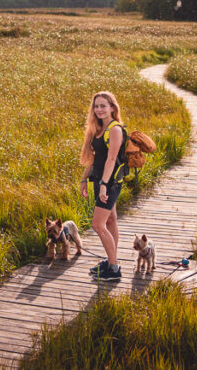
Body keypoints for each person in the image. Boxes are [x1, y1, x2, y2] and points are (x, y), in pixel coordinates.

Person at [78, 91, 127, 281]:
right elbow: (94, 159)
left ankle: (113, 269)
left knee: (98, 225)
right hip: (99, 180)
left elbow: (112, 159)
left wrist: (104, 185)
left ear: (112, 108)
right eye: (96, 106)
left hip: (110, 183)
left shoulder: (115, 129)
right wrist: (84, 179)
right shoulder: (98, 130)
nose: (99, 109)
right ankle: (110, 260)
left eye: (103, 106)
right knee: (110, 221)